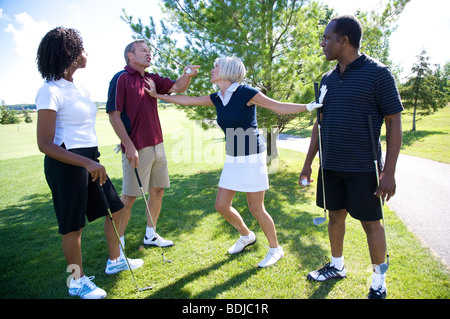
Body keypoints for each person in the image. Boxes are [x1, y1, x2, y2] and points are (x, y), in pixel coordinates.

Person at [145, 56, 323, 267]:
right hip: (233, 157)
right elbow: (188, 99)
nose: (212, 70)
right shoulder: (218, 97)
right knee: (221, 205)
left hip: (252, 157)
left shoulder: (245, 92)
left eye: (216, 66)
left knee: (256, 208)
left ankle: (276, 249)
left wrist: (309, 106)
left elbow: (278, 107)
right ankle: (247, 235)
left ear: (228, 71)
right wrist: (158, 96)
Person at [298, 16, 403, 299]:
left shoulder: (379, 74)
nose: (323, 43)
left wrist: (389, 172)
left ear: (343, 40)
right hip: (330, 166)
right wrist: (308, 163)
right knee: (334, 217)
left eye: (327, 38)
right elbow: (319, 124)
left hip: (363, 167)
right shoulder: (327, 80)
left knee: (371, 224)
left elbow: (394, 122)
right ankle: (337, 266)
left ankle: (379, 280)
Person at [35, 27, 143, 299]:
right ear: (68, 53)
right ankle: (76, 280)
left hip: (89, 160)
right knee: (73, 227)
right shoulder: (49, 91)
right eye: (81, 49)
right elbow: (45, 144)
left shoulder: (78, 86)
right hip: (66, 164)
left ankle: (115, 259)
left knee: (115, 209)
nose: (86, 53)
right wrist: (86, 164)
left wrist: (92, 160)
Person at [106, 40, 199, 251]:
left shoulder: (151, 78)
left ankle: (150, 235)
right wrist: (128, 146)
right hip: (137, 148)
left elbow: (177, 86)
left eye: (150, 51)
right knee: (129, 198)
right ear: (130, 55)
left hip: (158, 144)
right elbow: (114, 116)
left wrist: (187, 74)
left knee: (157, 191)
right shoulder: (120, 79)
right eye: (143, 51)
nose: (149, 54)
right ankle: (117, 248)